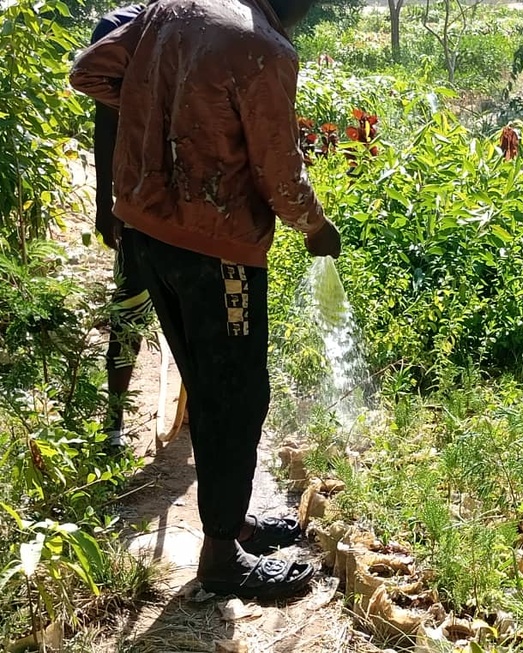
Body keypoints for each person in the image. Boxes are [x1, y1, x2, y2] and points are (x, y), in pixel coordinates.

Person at [70, 0, 342, 599]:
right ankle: (220, 557)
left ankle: (232, 520)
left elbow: (88, 72)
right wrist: (316, 227)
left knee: (203, 372)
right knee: (237, 395)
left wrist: (161, 114)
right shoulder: (265, 51)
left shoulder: (174, 9)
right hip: (217, 250)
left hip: (148, 231)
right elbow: (278, 170)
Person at [90, 3, 148, 449]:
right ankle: (113, 422)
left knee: (178, 312)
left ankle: (196, 420)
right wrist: (104, 202)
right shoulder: (119, 27)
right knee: (129, 309)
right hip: (139, 200)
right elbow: (106, 123)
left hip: (179, 202)